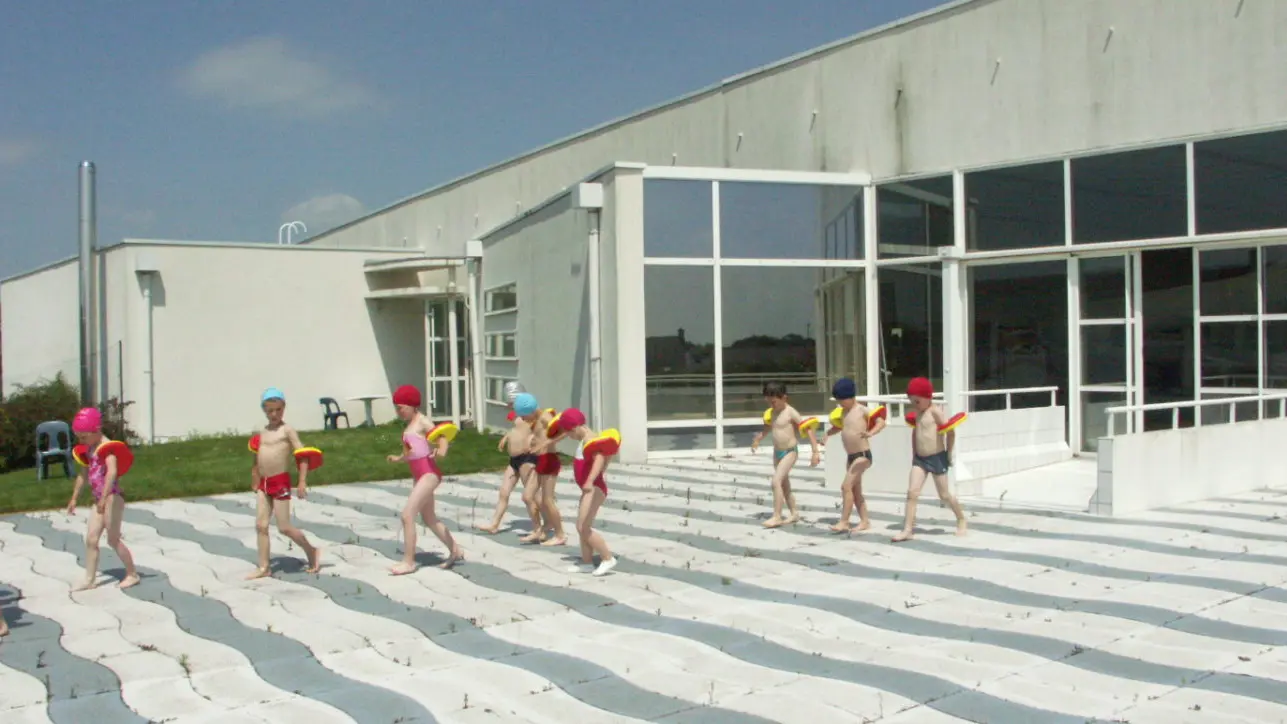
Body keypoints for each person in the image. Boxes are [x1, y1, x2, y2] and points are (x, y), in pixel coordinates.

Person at [245, 388, 323, 579]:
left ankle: (312, 551)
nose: (274, 414)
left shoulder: (287, 430)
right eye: (270, 411)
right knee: (261, 525)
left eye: (278, 410)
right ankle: (264, 567)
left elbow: (302, 455)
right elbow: (256, 458)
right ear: (264, 410)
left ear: (283, 408)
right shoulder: (262, 432)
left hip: (280, 481)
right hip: (264, 483)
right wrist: (255, 476)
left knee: (284, 527)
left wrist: (302, 480)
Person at [387, 384, 464, 573]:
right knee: (429, 518)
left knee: (407, 515)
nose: (399, 412)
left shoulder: (422, 421)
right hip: (419, 475)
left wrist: (442, 450)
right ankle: (455, 550)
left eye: (402, 407)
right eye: (397, 408)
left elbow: (442, 436)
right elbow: (413, 451)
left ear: (413, 405)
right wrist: (399, 458)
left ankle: (409, 562)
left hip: (429, 474)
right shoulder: (409, 426)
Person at [66, 407, 141, 591]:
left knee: (113, 540)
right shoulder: (89, 449)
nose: (81, 441)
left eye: (84, 437)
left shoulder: (108, 449)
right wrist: (74, 497)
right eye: (79, 437)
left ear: (96, 430)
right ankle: (89, 579)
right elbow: (83, 474)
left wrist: (104, 497)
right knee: (91, 539)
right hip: (99, 499)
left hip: (112, 498)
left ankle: (132, 574)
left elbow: (112, 473)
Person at [893, 377, 968, 542]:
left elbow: (950, 431)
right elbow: (916, 433)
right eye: (912, 402)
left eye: (917, 401)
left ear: (928, 398)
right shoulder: (918, 412)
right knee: (912, 493)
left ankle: (961, 519)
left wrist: (949, 453)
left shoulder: (935, 411)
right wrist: (914, 454)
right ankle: (908, 529)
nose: (915, 405)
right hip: (920, 459)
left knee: (944, 495)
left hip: (937, 457)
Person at [556, 408, 618, 576]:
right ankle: (586, 562)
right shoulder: (585, 439)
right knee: (581, 526)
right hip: (589, 488)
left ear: (575, 427)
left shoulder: (590, 439)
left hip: (594, 488)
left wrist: (590, 481)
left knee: (584, 527)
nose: (569, 436)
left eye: (568, 433)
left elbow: (599, 459)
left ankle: (607, 558)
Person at [750, 382, 821, 528]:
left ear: (784, 398)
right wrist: (758, 438)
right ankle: (794, 513)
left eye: (774, 401)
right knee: (784, 485)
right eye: (768, 402)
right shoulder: (772, 412)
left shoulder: (791, 412)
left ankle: (776, 516)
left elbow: (807, 429)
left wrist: (815, 451)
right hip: (777, 452)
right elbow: (768, 428)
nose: (771, 405)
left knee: (775, 481)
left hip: (790, 452)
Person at [823, 378, 886, 533]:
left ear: (852, 397)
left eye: (842, 400)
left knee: (845, 486)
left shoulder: (861, 410)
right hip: (850, 456)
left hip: (862, 455)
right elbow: (840, 428)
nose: (840, 404)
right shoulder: (844, 413)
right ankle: (865, 521)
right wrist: (827, 434)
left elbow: (881, 422)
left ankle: (844, 521)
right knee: (855, 490)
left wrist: (870, 432)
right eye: (838, 401)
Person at [480, 391, 541, 535]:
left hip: (527, 458)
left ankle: (540, 526)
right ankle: (494, 524)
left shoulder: (532, 415)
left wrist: (531, 439)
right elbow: (516, 430)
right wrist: (506, 437)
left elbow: (539, 430)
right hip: (514, 460)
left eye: (510, 402)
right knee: (504, 492)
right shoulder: (518, 415)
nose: (508, 405)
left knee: (531, 496)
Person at [527, 405, 567, 546]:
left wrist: (545, 443)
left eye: (525, 416)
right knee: (528, 496)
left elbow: (564, 431)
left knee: (548, 500)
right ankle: (541, 529)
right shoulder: (538, 418)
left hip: (549, 459)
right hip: (541, 460)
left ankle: (560, 534)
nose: (525, 420)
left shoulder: (545, 416)